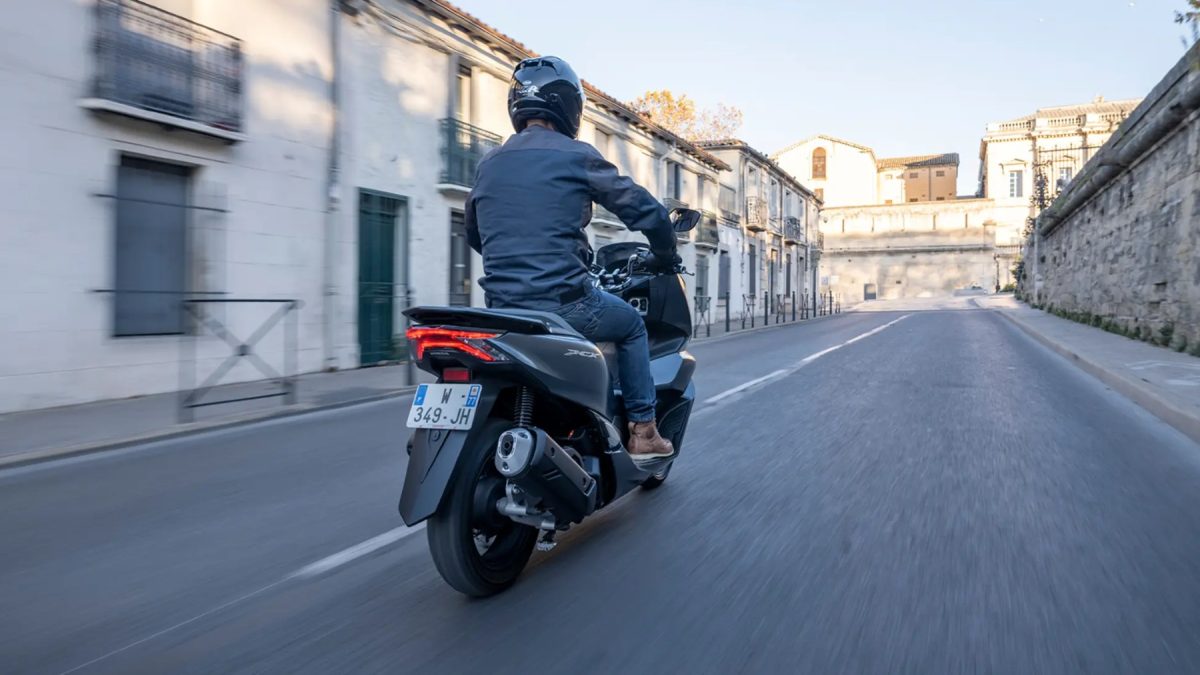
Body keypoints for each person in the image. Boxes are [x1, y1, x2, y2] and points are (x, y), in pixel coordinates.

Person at [464, 56, 678, 461]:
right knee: (632, 326)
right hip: (564, 304)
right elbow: (643, 209)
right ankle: (644, 431)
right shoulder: (575, 155)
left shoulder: (489, 162)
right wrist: (665, 250)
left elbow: (475, 234)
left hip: (501, 309)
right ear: (568, 106)